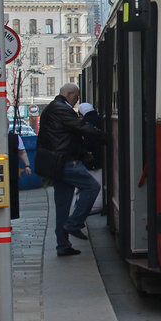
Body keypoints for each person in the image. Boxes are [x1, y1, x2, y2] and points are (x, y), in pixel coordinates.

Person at [37, 84, 103, 257]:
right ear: (69, 94)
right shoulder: (60, 109)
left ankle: (63, 245)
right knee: (92, 187)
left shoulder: (52, 108)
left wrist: (83, 153)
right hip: (66, 161)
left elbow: (65, 136)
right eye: (77, 97)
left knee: (63, 206)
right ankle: (74, 223)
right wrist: (104, 136)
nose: (77, 100)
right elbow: (80, 127)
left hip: (57, 163)